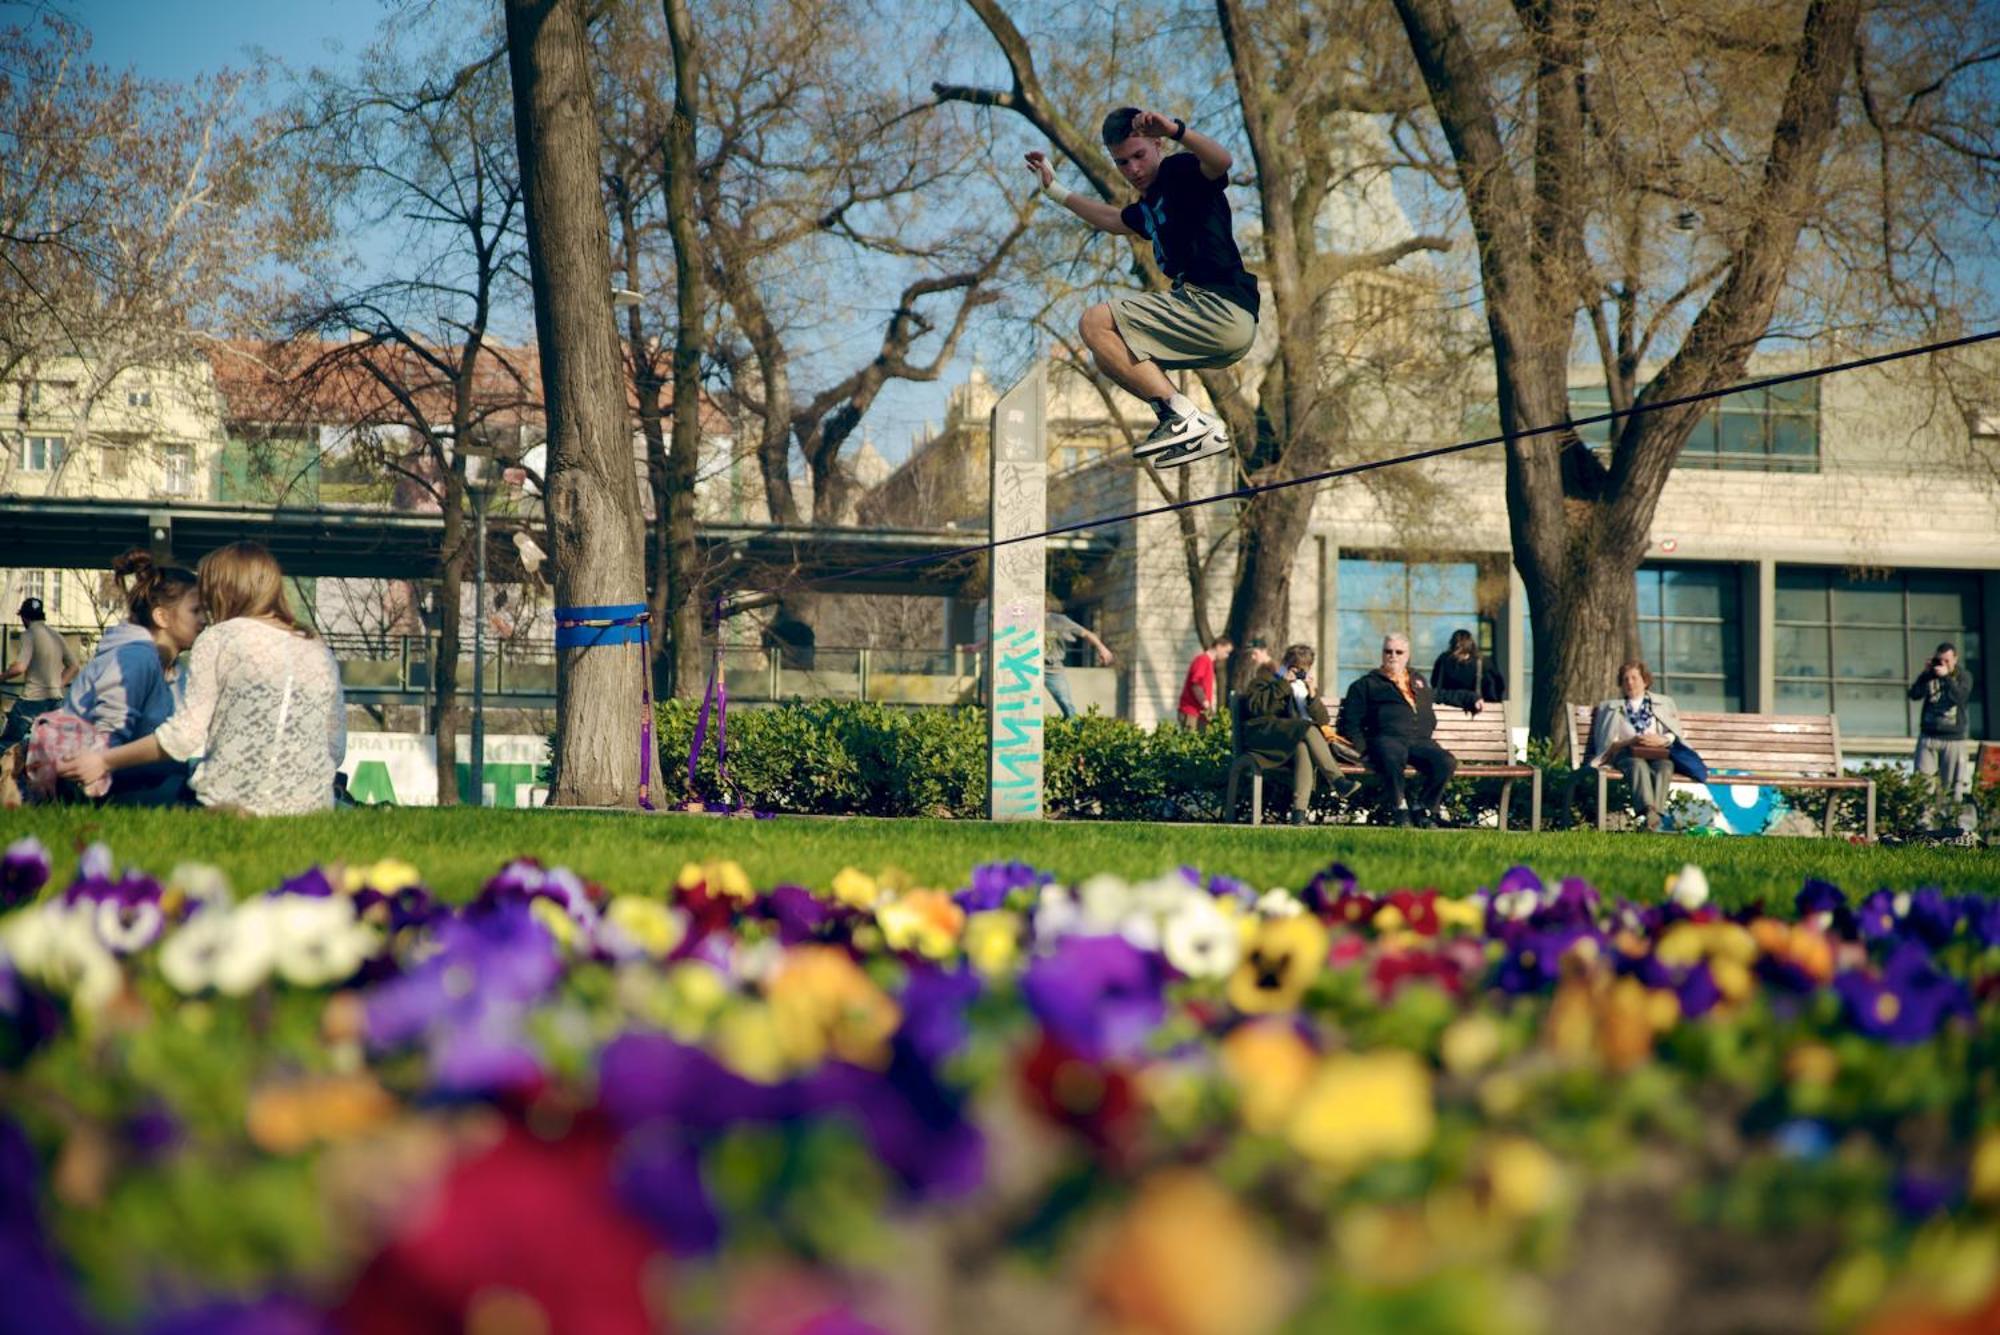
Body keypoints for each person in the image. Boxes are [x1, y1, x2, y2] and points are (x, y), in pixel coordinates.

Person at [1024, 106, 1259, 471]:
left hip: (1219, 307)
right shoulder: (1150, 206)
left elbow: (1221, 161)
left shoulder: (1178, 172)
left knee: (1094, 321)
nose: (1133, 169)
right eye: (1122, 163)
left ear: (1157, 145)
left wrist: (1178, 130)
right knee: (1108, 355)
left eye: (1139, 155)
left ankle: (1186, 417)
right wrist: (1054, 190)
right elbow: (1112, 219)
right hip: (1220, 330)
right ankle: (1188, 425)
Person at [61, 542, 346, 815]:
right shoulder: (320, 650)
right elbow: (335, 748)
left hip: (228, 803)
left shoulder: (219, 638)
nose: (207, 612)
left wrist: (102, 761)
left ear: (224, 590)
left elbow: (183, 738)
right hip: (312, 806)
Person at [51, 550, 205, 805]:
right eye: (196, 610)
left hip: (134, 776)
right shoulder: (136, 660)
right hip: (99, 783)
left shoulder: (176, 670)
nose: (204, 620)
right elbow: (107, 740)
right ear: (162, 617)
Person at [1338, 633, 1473, 828]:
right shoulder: (1367, 684)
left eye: (1398, 652)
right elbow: (1351, 723)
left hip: (1420, 741)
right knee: (1392, 755)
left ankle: (1423, 808)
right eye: (1388, 651)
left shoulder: (1417, 680)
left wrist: (1470, 698)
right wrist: (1363, 750)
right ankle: (1400, 807)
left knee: (1446, 762)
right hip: (1387, 739)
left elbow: (1439, 694)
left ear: (1407, 655)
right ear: (1382, 654)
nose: (1393, 656)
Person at [1240, 643, 1360, 825]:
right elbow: (1257, 708)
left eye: (1303, 669)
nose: (1297, 673)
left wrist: (1312, 696)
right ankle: (1337, 780)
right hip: (1266, 740)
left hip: (1290, 742)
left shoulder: (1303, 689)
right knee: (1307, 727)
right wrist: (1283, 684)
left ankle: (1299, 814)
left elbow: (1323, 719)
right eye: (1294, 668)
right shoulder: (1266, 679)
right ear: (1285, 664)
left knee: (1302, 747)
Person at [1588, 660, 1686, 832]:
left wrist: (1662, 740)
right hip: (1626, 754)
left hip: (1657, 752)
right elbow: (1608, 744)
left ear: (1645, 681)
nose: (1629, 683)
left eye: (1634, 678)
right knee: (1637, 765)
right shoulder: (1612, 708)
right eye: (1625, 679)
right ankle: (1650, 813)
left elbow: (1673, 733)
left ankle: (1653, 817)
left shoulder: (1662, 704)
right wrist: (1632, 741)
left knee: (1666, 766)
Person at [0, 595, 79, 750]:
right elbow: (74, 666)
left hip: (30, 701)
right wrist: (57, 684)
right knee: (51, 748)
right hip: (55, 701)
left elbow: (20, 668)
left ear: (24, 617)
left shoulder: (29, 635)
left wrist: (2, 677)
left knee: (7, 743)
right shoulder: (57, 636)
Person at [1909, 641, 1974, 813]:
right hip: (1928, 736)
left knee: (1953, 786)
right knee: (1923, 784)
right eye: (1940, 660)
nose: (1943, 664)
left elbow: (1959, 697)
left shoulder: (1963, 676)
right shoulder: (1930, 675)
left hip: (1953, 739)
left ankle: (1952, 825)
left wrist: (1946, 677)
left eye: (1947, 660)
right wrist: (1925, 674)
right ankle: (1924, 824)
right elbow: (1914, 694)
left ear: (1955, 659)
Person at [1044, 608, 1114, 720]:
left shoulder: (1058, 620)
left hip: (1052, 668)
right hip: (1029, 666)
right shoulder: (1024, 619)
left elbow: (1086, 633)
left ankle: (1073, 733)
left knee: (1067, 705)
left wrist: (1102, 648)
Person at [1430, 628, 1505, 710]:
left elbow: (1495, 688)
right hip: (1452, 706)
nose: (1460, 659)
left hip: (1475, 708)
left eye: (1462, 654)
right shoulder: (1444, 661)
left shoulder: (1482, 664)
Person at [1176, 635, 1233, 728]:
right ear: (1218, 646)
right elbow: (1196, 685)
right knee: (1192, 741)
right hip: (1192, 712)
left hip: (1199, 713)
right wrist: (1206, 705)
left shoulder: (1209, 663)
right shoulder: (1202, 660)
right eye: (1227, 652)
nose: (1227, 656)